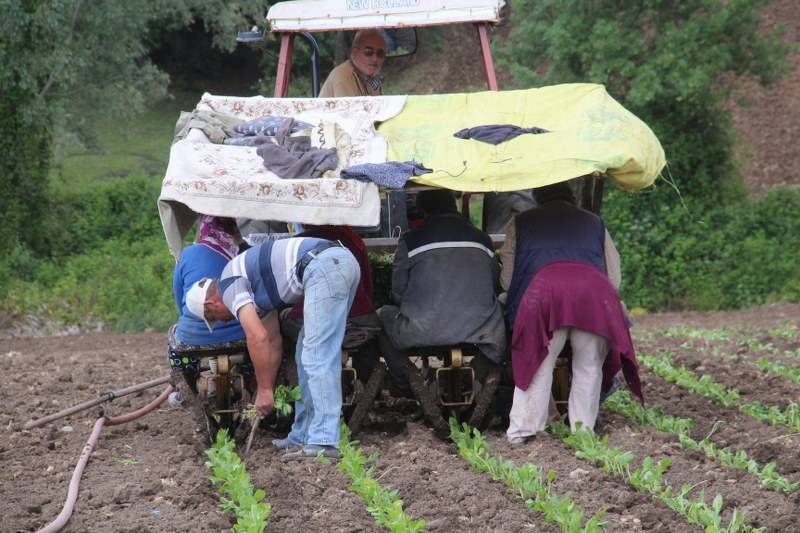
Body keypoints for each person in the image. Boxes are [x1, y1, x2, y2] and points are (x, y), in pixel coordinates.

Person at [185, 236, 361, 459]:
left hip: (324, 265)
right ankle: (303, 434)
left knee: (317, 354)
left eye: (214, 318)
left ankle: (324, 441)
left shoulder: (229, 284)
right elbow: (272, 341)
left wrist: (267, 391)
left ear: (210, 304)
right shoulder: (254, 293)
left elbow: (256, 337)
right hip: (337, 262)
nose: (223, 321)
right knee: (304, 354)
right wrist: (263, 386)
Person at [500, 181, 643, 445]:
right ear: (572, 197)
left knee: (537, 362)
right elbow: (613, 273)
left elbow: (508, 278)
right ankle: (583, 432)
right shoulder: (594, 223)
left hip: (543, 295)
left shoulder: (521, 222)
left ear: (537, 197)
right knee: (589, 366)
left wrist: (521, 304)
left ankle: (523, 431)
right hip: (593, 294)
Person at [378, 189, 507, 393]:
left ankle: (410, 384)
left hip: (420, 328)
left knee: (381, 319)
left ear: (422, 210)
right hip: (482, 329)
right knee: (505, 320)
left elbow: (398, 291)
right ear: (453, 205)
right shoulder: (483, 239)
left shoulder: (411, 240)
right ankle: (478, 375)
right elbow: (494, 285)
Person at [280, 225, 381, 382]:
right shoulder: (353, 239)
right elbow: (368, 286)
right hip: (359, 319)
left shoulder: (297, 243)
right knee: (372, 333)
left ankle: (292, 379)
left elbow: (288, 292)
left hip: (310, 321)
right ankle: (367, 380)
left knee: (283, 319)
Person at [173, 216, 244, 345]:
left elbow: (179, 299)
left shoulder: (185, 255)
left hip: (191, 336)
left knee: (174, 335)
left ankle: (188, 366)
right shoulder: (241, 253)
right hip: (240, 333)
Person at [319, 29, 386, 98]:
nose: (375, 59)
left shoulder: (369, 78)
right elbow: (351, 108)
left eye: (380, 53)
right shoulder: (344, 78)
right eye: (368, 51)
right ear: (354, 52)